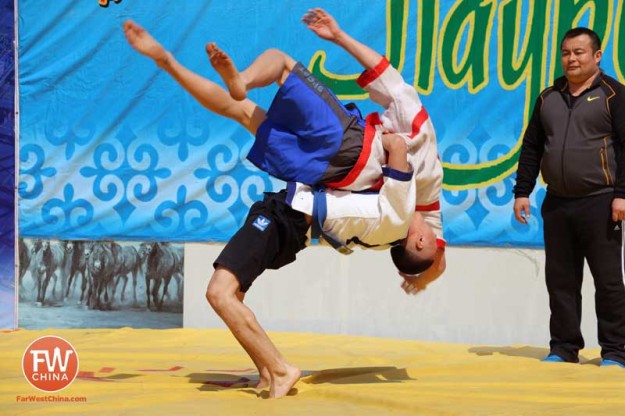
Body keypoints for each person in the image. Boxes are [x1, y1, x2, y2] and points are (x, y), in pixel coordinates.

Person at [124, 8, 446, 397]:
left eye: (426, 242)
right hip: (319, 179)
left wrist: (340, 37)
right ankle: (272, 369)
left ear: (417, 243)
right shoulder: (411, 217)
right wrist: (419, 278)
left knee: (274, 69)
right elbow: (434, 252)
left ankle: (238, 78)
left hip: (342, 154)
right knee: (241, 110)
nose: (433, 235)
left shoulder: (412, 195)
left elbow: (388, 100)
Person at [513, 27, 625, 368]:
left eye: (579, 52)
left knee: (608, 282)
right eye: (566, 53)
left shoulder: (614, 95)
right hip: (558, 202)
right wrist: (522, 191)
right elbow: (532, 146)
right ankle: (563, 347)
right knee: (561, 280)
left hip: (602, 201)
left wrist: (621, 195)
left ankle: (617, 351)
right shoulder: (548, 97)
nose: (571, 58)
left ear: (597, 55)